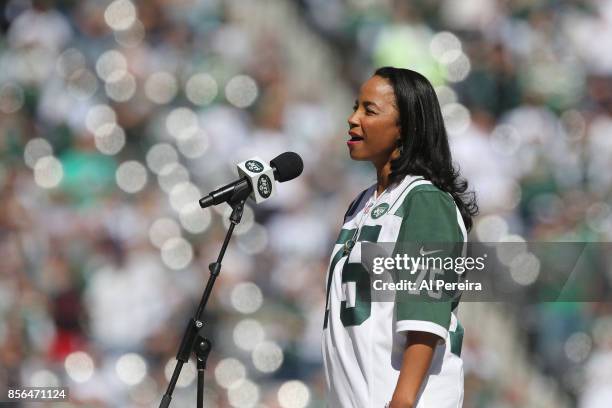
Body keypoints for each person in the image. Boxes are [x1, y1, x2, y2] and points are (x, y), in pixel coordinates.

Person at [322, 67, 478, 407]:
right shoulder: (361, 204)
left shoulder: (425, 200)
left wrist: (403, 401)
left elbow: (426, 312)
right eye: (355, 107)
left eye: (369, 110)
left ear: (406, 127)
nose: (352, 119)